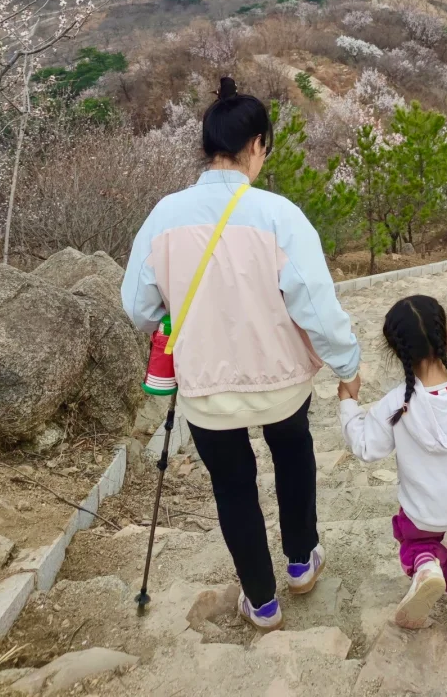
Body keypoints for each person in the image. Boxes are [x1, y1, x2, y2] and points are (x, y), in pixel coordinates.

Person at [121, 77, 360, 631]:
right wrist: (348, 366)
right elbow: (316, 308)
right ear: (256, 145)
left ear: (209, 148)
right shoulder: (279, 216)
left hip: (206, 388)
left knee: (233, 487)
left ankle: (263, 601)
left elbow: (137, 306)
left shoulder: (164, 216)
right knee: (294, 457)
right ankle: (301, 563)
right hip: (281, 384)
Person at [337, 294, 447, 636]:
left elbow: (366, 446)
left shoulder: (396, 404)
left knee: (414, 537)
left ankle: (425, 563)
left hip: (424, 512)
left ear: (397, 351)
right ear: (445, 337)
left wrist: (348, 403)